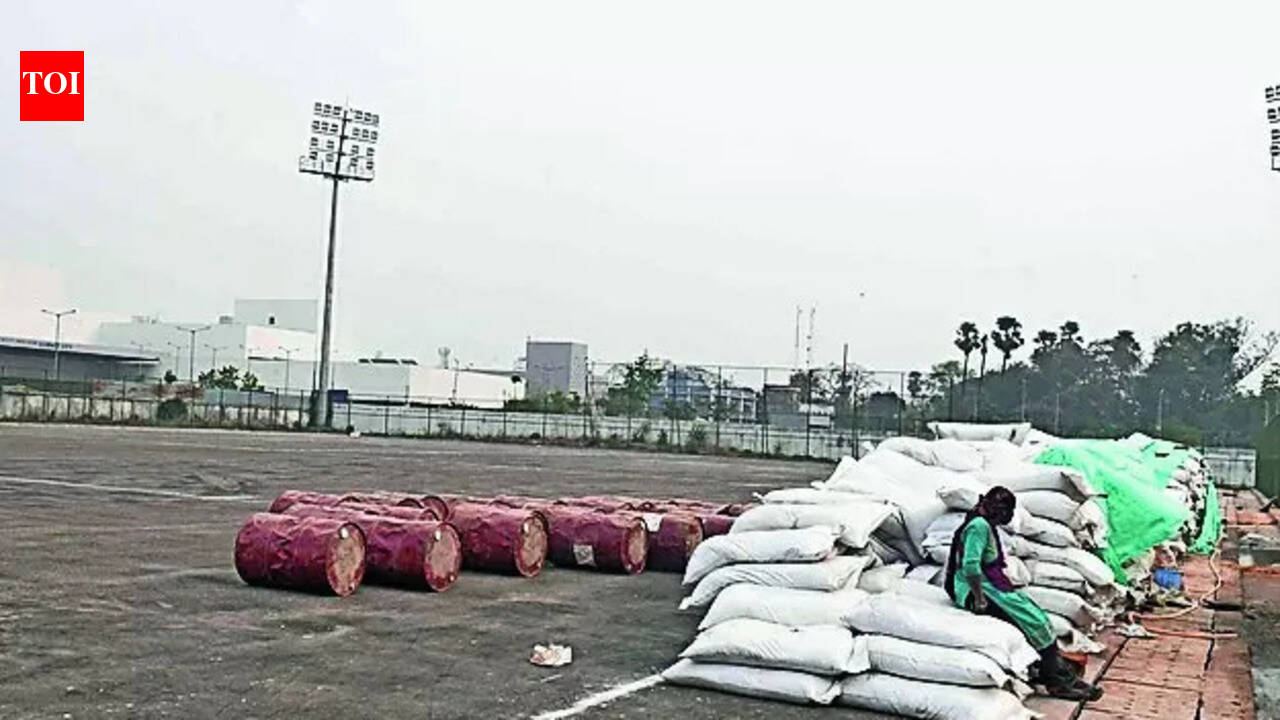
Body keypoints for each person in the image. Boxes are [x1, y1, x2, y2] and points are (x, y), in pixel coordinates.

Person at [944, 486, 1102, 702]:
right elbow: (971, 567)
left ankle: (1061, 674)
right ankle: (1056, 682)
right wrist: (979, 599)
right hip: (976, 590)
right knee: (1032, 622)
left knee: (1039, 617)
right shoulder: (978, 527)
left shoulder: (982, 523)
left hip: (990, 585)